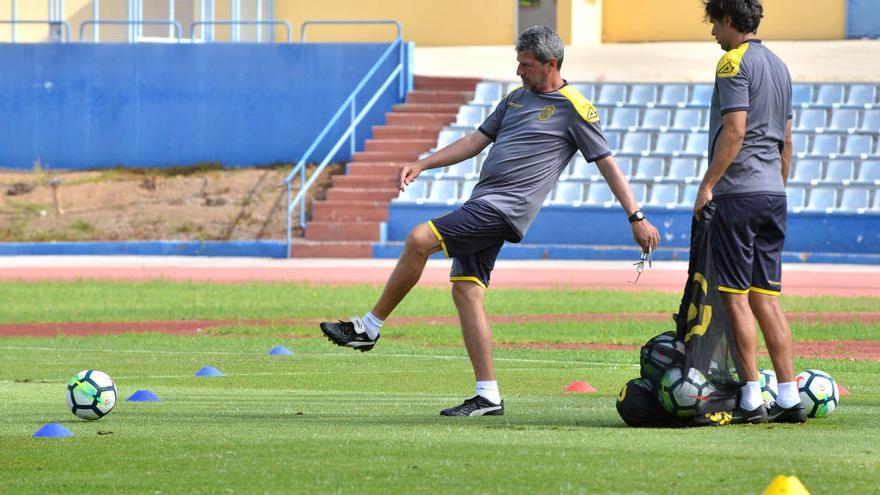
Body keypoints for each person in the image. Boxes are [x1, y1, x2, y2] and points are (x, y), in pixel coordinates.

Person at [320, 26, 660, 416]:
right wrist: (423, 163)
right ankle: (488, 397)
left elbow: (607, 164)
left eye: (525, 64)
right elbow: (474, 141)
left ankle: (368, 328)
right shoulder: (516, 99)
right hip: (484, 201)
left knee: (418, 239)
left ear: (551, 64)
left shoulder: (574, 107)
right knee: (466, 291)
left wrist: (636, 216)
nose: (518, 71)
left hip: (505, 209)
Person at [695, 0, 805, 423]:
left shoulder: (731, 64)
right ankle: (791, 396)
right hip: (773, 194)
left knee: (735, 298)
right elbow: (787, 141)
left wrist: (707, 186)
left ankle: (751, 398)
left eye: (714, 26)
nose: (713, 35)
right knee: (769, 299)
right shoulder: (780, 66)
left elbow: (735, 129)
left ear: (728, 20)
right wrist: (777, 184)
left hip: (738, 194)